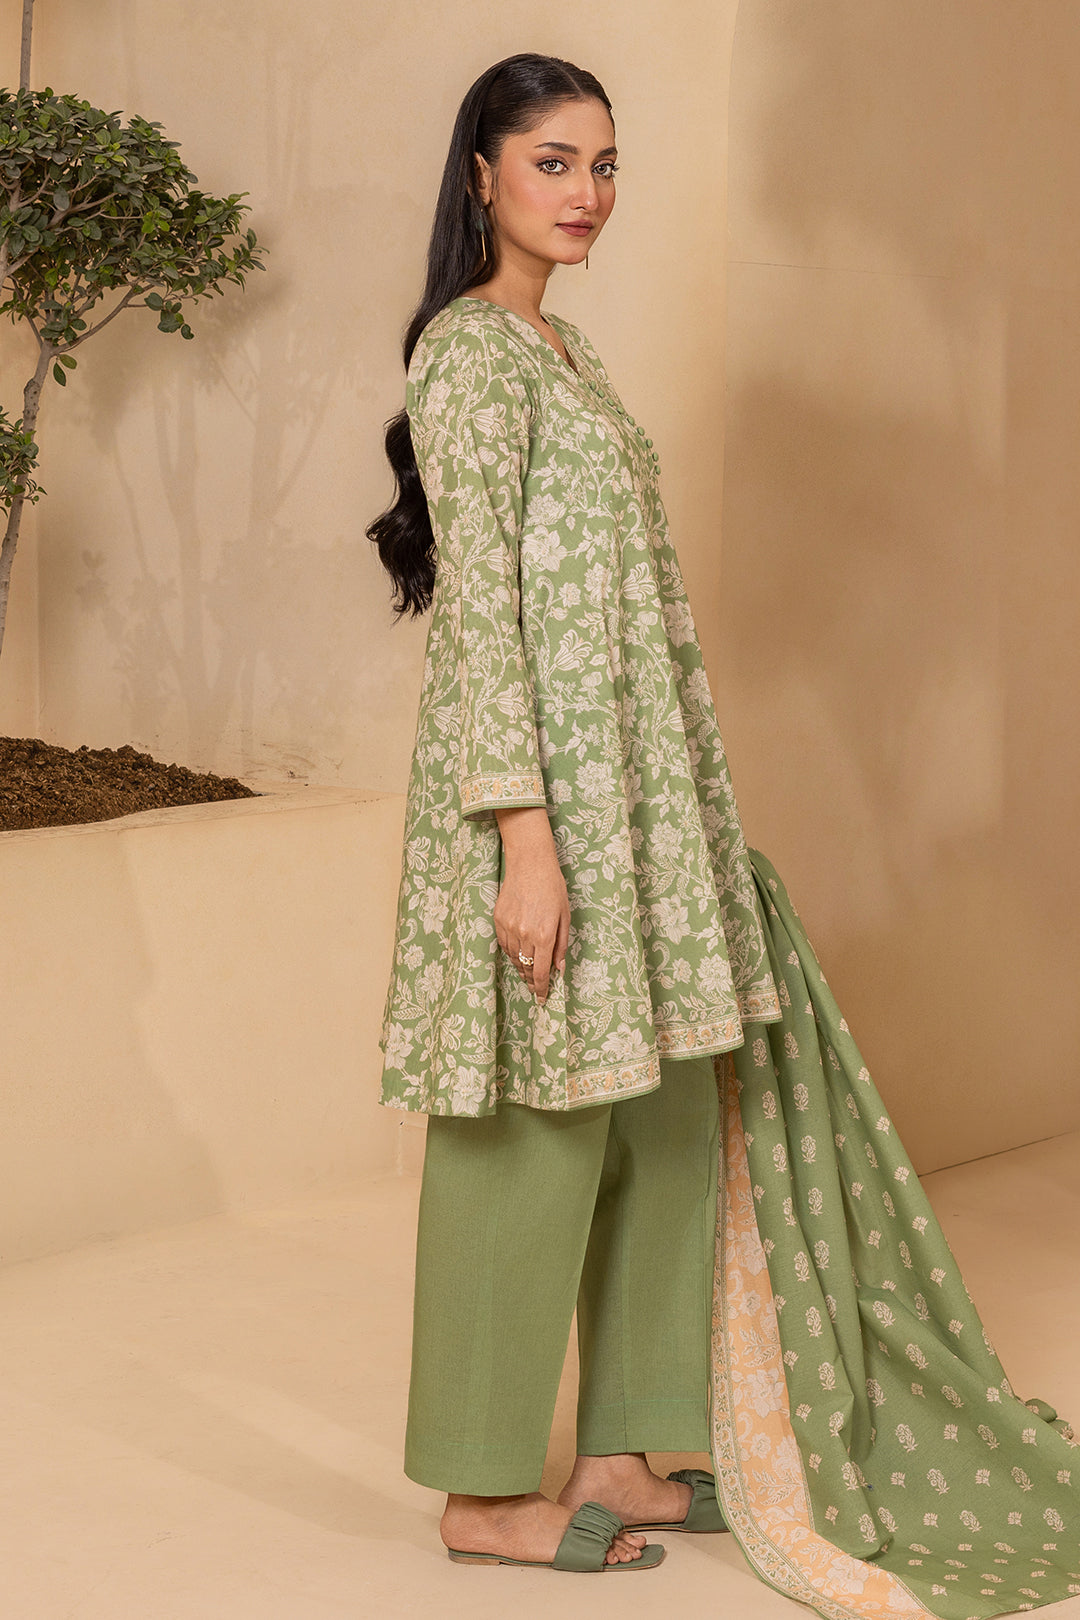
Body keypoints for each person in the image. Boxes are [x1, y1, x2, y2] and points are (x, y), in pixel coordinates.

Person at [369, 51, 1080, 1608]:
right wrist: (525, 841)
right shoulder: (470, 359)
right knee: (530, 1131)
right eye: (554, 162)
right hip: (544, 802)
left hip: (640, 799)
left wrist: (668, 811)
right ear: (482, 173)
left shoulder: (565, 353)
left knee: (668, 1115)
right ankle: (483, 1487)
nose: (587, 194)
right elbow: (483, 616)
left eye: (606, 164)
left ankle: (626, 1447)